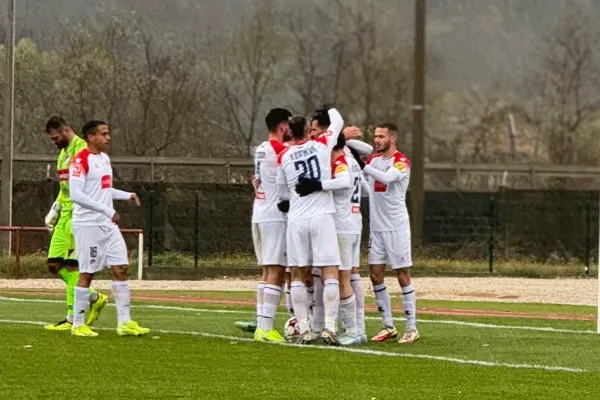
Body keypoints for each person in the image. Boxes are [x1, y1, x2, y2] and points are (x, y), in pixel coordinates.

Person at [68, 120, 150, 337]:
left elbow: (103, 189)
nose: (108, 137)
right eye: (103, 134)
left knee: (121, 267)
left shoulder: (104, 159)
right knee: (87, 273)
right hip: (88, 224)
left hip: (106, 224)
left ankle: (125, 323)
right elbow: (76, 195)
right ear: (91, 137)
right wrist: (106, 210)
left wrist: (126, 195)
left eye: (107, 133)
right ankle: (78, 324)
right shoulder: (80, 161)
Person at [276, 106, 347, 345]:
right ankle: (329, 327)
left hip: (297, 218)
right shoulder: (322, 144)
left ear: (289, 133)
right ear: (308, 130)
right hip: (322, 215)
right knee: (329, 272)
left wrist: (287, 203)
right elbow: (337, 119)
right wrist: (328, 108)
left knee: (297, 273)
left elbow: (282, 192)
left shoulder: (284, 156)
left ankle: (304, 329)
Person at [42, 116, 108, 331]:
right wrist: (56, 208)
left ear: (66, 130)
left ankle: (71, 318)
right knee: (54, 264)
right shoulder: (62, 155)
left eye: (55, 137)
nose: (54, 142)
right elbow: (64, 189)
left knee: (73, 267)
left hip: (79, 217)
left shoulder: (82, 150)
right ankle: (93, 297)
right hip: (65, 216)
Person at [360, 123, 419, 344]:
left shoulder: (401, 162)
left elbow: (387, 179)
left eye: (382, 136)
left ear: (393, 138)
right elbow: (369, 188)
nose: (377, 140)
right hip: (377, 227)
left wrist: (362, 166)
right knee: (375, 274)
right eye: (375, 136)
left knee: (402, 274)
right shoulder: (374, 161)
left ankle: (411, 327)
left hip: (396, 227)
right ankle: (388, 325)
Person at [243, 107, 292, 342]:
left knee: (266, 271)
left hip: (260, 211)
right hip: (274, 215)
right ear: (283, 126)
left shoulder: (260, 149)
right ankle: (265, 327)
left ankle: (261, 323)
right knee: (277, 271)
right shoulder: (280, 149)